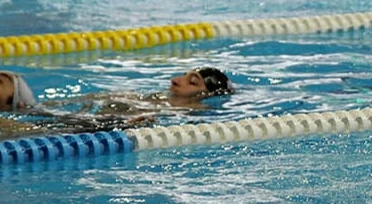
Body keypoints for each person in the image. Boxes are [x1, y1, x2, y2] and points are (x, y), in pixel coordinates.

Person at [0, 67, 234, 139]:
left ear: (204, 97)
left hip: (109, 125)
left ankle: (18, 129)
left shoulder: (190, 114)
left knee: (55, 130)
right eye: (184, 75)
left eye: (191, 83)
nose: (175, 80)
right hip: (97, 120)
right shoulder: (153, 98)